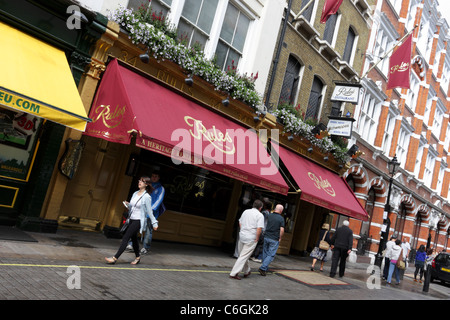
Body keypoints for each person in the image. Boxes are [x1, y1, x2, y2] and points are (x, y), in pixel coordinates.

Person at [105, 176, 158, 265]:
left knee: (126, 237)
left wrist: (154, 223)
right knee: (134, 239)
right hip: (131, 219)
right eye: (139, 180)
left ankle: (115, 258)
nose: (139, 182)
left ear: (146, 184)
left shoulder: (147, 197)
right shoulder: (135, 193)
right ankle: (138, 257)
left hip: (138, 221)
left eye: (142, 181)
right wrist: (128, 204)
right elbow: (132, 207)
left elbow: (149, 211)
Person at [229, 199, 264, 280]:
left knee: (243, 255)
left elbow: (240, 222)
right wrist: (257, 238)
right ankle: (234, 273)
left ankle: (247, 271)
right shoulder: (260, 215)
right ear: (260, 208)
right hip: (251, 237)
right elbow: (259, 229)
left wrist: (243, 230)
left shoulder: (246, 211)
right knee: (243, 256)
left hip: (242, 235)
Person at [140, 171, 165, 255]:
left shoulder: (160, 188)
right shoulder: (147, 186)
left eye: (156, 176)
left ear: (159, 178)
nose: (154, 177)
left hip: (151, 213)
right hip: (141, 210)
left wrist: (150, 210)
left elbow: (158, 201)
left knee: (148, 230)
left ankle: (145, 247)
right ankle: (131, 245)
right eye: (153, 176)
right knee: (135, 227)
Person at [258, 204, 285, 276]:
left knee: (265, 253)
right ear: (281, 211)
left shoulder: (269, 215)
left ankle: (264, 268)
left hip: (266, 236)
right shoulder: (281, 219)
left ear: (275, 208)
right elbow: (282, 230)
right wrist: (280, 237)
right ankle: (263, 268)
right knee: (271, 254)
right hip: (274, 238)